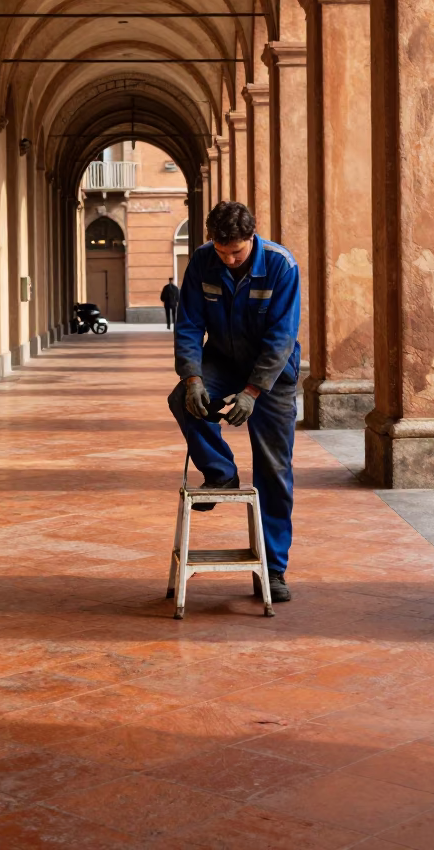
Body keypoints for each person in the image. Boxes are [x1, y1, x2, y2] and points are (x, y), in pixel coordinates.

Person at [167, 201, 301, 603]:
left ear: (251, 237)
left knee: (274, 467)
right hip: (222, 361)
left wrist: (253, 392)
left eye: (236, 252)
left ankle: (273, 569)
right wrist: (192, 378)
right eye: (221, 251)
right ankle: (221, 470)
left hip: (272, 375)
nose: (228, 259)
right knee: (181, 400)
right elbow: (188, 324)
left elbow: (282, 337)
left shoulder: (281, 265)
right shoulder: (202, 262)